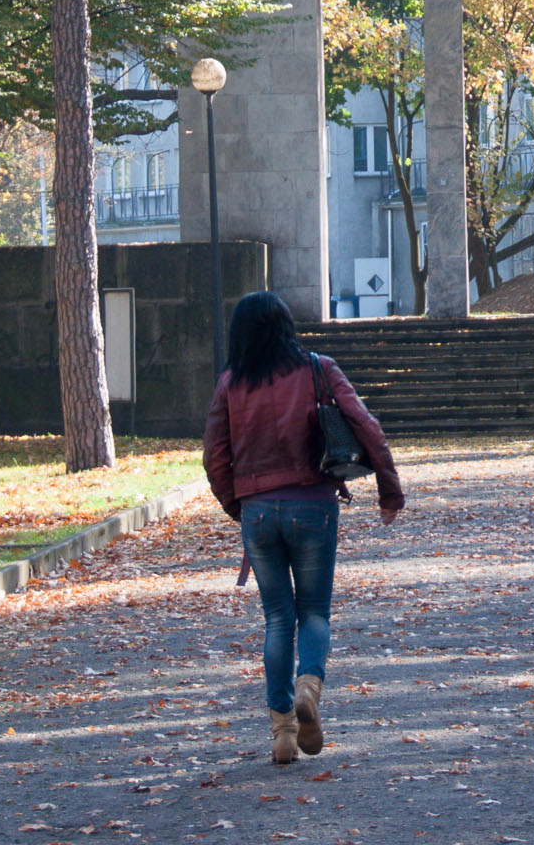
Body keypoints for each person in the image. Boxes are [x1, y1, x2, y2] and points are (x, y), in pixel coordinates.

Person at [202, 290, 405, 766]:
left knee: (277, 618)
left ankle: (282, 734)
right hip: (313, 503)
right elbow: (365, 425)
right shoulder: (318, 367)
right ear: (287, 326)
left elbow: (214, 455)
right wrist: (389, 490)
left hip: (257, 511)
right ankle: (308, 686)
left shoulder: (230, 382)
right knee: (313, 612)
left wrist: (240, 504)